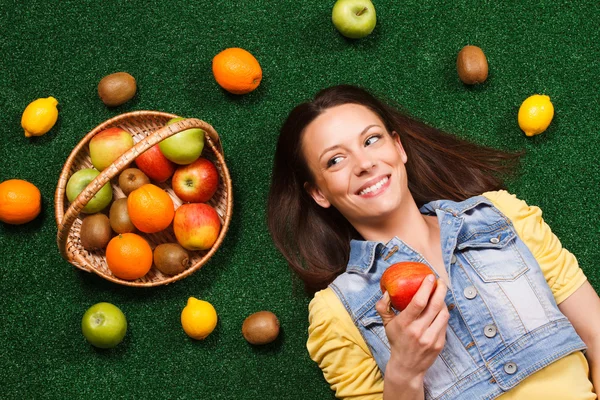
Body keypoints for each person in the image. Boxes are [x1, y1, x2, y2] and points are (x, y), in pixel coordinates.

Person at [267, 85, 600, 399]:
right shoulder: (335, 314)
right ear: (319, 193)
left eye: (371, 140)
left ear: (398, 147)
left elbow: (596, 335)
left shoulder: (504, 215)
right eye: (335, 160)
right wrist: (405, 372)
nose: (364, 164)